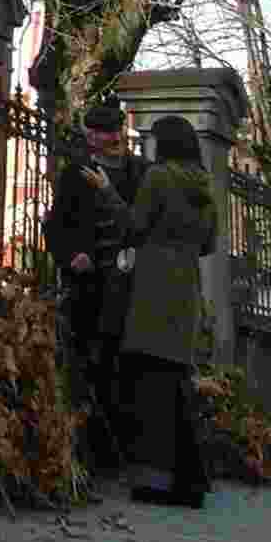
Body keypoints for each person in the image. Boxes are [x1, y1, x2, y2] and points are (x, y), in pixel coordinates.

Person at [80, 114, 217, 507]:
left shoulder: (158, 178)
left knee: (150, 389)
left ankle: (156, 482)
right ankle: (190, 482)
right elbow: (208, 244)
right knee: (176, 387)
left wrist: (107, 190)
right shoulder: (204, 185)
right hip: (186, 291)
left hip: (153, 292)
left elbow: (133, 226)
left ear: (166, 144)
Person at [42, 103, 146, 474]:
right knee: (92, 368)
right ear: (91, 136)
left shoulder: (140, 171)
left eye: (117, 128)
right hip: (92, 289)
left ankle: (126, 450)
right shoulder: (76, 175)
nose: (115, 136)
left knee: (128, 369)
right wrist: (73, 256)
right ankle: (94, 453)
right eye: (105, 131)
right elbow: (54, 228)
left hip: (134, 288)